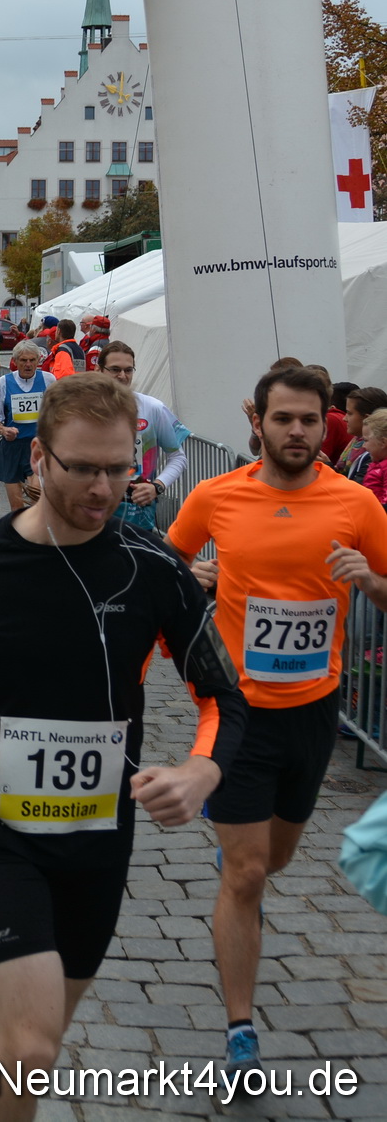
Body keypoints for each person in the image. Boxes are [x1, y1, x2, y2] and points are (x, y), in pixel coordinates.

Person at [0, 373, 244, 1122]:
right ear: (39, 458)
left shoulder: (154, 568)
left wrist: (201, 767)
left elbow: (225, 696)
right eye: (84, 467)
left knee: (32, 1036)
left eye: (120, 468)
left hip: (96, 833)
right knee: (31, 1047)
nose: (104, 487)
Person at [167, 364, 387, 1079]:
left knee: (277, 858)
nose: (297, 431)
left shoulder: (357, 504)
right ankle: (240, 1028)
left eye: (310, 419)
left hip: (314, 713)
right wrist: (191, 584)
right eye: (283, 418)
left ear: (331, 424)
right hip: (236, 713)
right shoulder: (216, 495)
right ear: (256, 422)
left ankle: (244, 872)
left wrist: (372, 581)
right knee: (249, 870)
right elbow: (163, 567)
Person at [93, 342, 189, 533]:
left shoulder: (152, 408)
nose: (122, 376)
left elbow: (178, 457)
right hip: (92, 510)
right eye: (115, 370)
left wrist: (157, 487)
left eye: (128, 370)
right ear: (99, 370)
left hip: (137, 515)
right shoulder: (84, 409)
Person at [0, 342, 49, 511]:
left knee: (36, 496)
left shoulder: (48, 380)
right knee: (16, 506)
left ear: (38, 360)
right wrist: (3, 430)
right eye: (23, 360)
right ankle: (19, 535)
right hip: (12, 447)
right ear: (15, 361)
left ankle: (35, 534)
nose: (28, 364)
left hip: (38, 446)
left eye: (32, 360)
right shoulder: (3, 383)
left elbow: (59, 412)